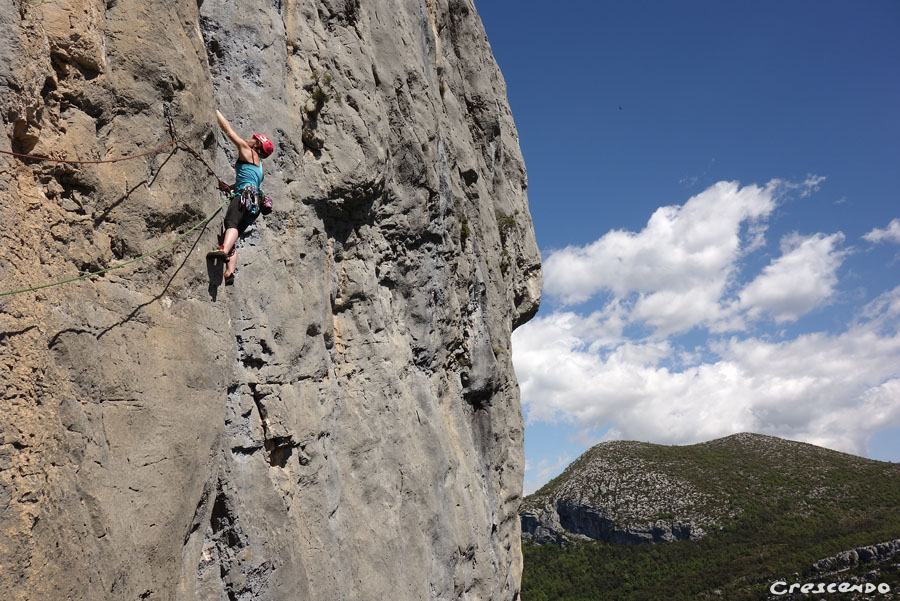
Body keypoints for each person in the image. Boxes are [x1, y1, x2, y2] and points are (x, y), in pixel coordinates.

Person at [207, 109, 274, 283]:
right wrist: (229, 187)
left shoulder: (247, 151)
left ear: (257, 145)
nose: (250, 140)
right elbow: (249, 180)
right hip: (255, 204)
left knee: (231, 223)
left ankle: (223, 250)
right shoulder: (260, 168)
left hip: (245, 196)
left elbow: (228, 131)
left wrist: (213, 110)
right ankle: (230, 272)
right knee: (234, 233)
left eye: (254, 139)